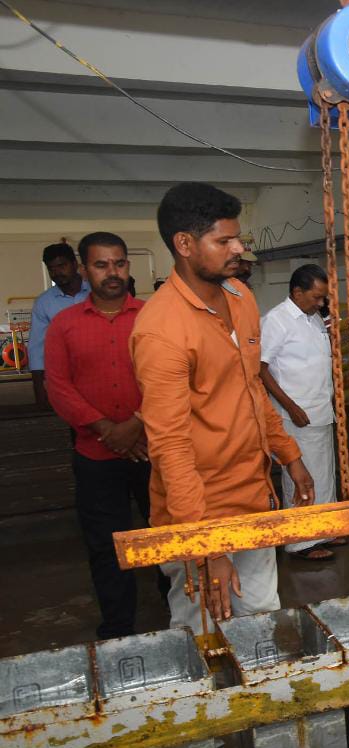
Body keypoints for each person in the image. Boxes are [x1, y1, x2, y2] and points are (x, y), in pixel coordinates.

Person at [131, 183, 314, 630]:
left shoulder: (240, 297)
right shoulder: (161, 330)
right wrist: (207, 547)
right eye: (224, 241)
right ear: (184, 244)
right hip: (199, 511)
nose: (238, 249)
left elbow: (251, 390)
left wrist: (289, 456)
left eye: (238, 238)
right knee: (203, 631)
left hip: (253, 496)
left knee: (261, 621)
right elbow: (170, 447)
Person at [43, 232, 153, 639]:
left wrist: (137, 424)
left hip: (153, 450)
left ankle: (181, 617)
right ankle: (119, 630)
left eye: (119, 263)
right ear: (84, 269)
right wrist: (108, 430)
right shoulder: (64, 324)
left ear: (128, 266)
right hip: (95, 455)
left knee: (164, 535)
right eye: (102, 265)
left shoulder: (152, 318)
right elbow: (59, 387)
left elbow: (170, 379)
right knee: (106, 546)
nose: (113, 272)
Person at [260, 264, 340, 561]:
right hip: (296, 415)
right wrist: (290, 406)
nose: (321, 303)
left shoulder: (314, 318)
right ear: (297, 292)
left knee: (323, 474)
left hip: (319, 410)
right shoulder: (276, 320)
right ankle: (301, 542)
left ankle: (325, 531)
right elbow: (260, 368)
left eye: (323, 297)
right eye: (316, 297)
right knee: (301, 476)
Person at [29, 242, 90, 409]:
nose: (57, 273)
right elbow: (37, 348)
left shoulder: (96, 293)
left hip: (101, 373)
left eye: (62, 266)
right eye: (51, 269)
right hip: (66, 380)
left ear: (75, 264)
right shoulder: (44, 302)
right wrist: (39, 390)